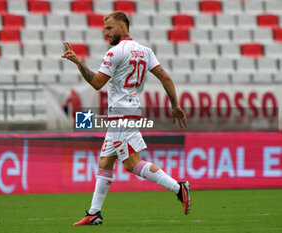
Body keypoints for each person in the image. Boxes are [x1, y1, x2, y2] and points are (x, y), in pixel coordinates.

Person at [61, 11, 190, 226]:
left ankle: (178, 187)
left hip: (122, 117)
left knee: (131, 164)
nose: (106, 33)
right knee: (105, 162)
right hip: (124, 115)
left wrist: (78, 63)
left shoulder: (115, 53)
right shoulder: (145, 51)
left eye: (110, 28)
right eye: (105, 29)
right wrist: (174, 103)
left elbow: (97, 83)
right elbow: (165, 77)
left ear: (123, 27)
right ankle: (94, 213)